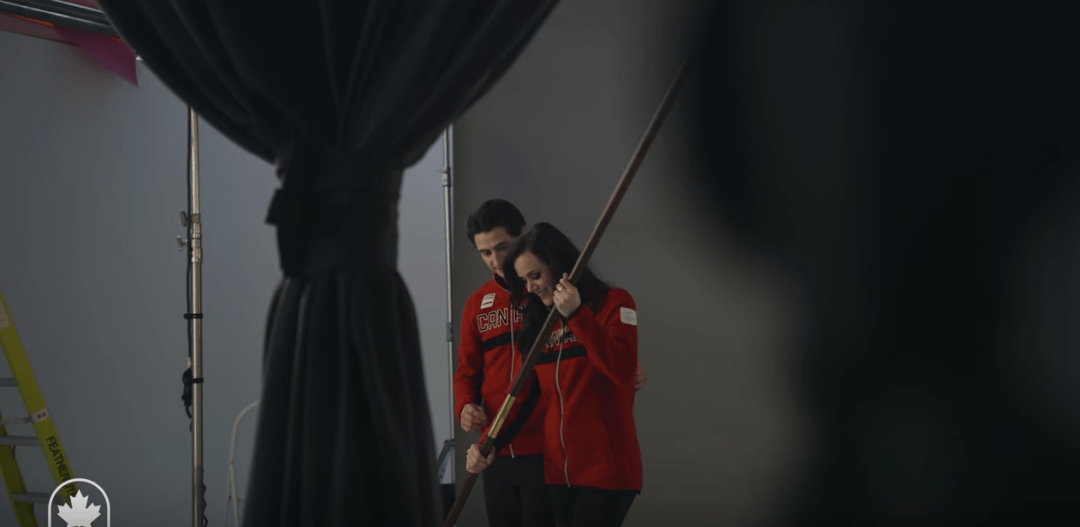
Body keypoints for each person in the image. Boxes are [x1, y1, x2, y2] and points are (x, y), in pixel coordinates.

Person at [454, 200, 646, 527]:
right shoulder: (528, 313)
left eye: (503, 248)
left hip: (579, 461)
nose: (496, 261)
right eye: (485, 253)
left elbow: (618, 369)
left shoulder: (587, 302)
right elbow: (487, 377)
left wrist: (584, 323)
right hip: (543, 464)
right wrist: (475, 422)